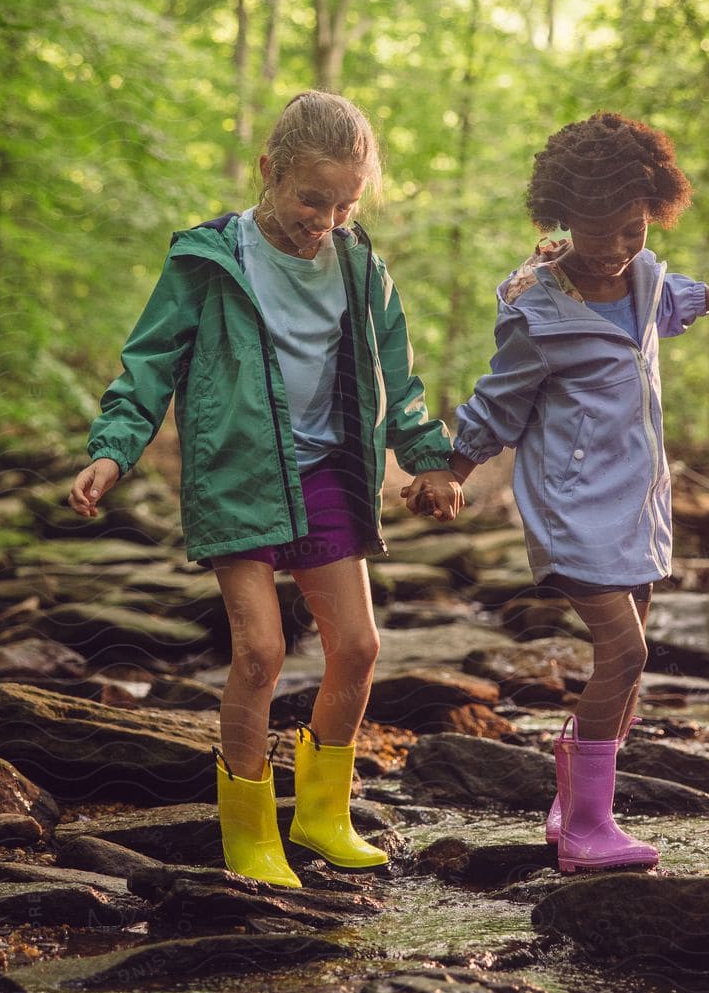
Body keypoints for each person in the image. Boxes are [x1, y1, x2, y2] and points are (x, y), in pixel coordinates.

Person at [69, 91, 462, 889]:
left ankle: (322, 815)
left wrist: (427, 457)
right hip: (240, 469)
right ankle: (249, 831)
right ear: (268, 172)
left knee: (357, 646)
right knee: (260, 651)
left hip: (328, 471)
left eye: (345, 203)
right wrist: (114, 451)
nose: (325, 217)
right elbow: (150, 363)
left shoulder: (358, 261)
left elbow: (398, 374)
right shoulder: (209, 258)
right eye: (311, 198)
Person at [406, 112, 709, 875]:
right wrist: (451, 471)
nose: (615, 247)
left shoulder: (646, 275)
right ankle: (591, 825)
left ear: (651, 212)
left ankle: (574, 806)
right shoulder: (539, 309)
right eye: (597, 231)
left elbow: (680, 298)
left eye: (631, 228)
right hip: (571, 508)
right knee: (624, 654)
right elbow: (499, 403)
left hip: (639, 504)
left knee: (629, 667)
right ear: (561, 219)